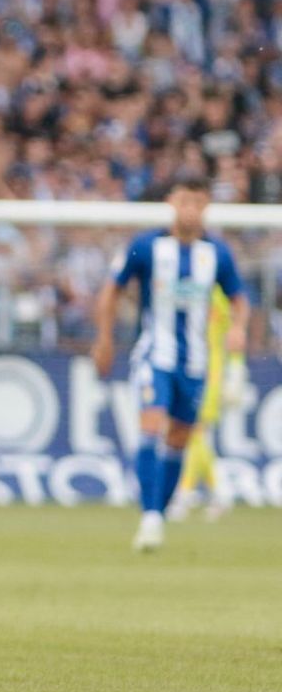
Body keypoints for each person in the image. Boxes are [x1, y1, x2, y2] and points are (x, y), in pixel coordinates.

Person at [92, 174, 250, 553]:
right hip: (154, 355)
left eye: (197, 202)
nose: (190, 209)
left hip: (194, 362)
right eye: (184, 201)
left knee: (178, 439)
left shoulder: (218, 253)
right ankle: (149, 516)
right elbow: (112, 288)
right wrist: (105, 338)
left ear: (206, 205)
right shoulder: (146, 246)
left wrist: (239, 329)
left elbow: (240, 296)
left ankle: (157, 516)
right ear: (171, 202)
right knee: (150, 424)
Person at [167, 287, 250, 522]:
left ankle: (185, 494)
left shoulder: (220, 294)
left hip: (211, 373)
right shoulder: (195, 288)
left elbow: (233, 335)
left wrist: (235, 370)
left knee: (195, 432)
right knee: (194, 434)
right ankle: (217, 492)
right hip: (192, 369)